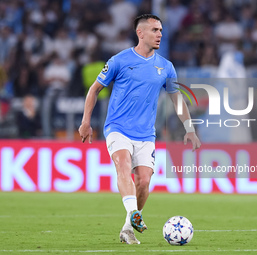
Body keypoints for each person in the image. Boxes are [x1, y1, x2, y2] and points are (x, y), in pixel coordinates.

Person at [78, 14, 201, 245]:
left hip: (146, 134)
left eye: (161, 30)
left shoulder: (166, 67)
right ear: (140, 33)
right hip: (117, 128)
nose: (160, 34)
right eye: (155, 30)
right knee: (123, 166)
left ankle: (128, 228)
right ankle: (134, 213)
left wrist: (189, 128)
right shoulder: (119, 61)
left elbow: (177, 99)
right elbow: (94, 89)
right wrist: (86, 122)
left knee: (143, 180)